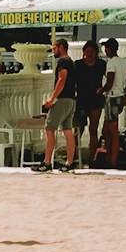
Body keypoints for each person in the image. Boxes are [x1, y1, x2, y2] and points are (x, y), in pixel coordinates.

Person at [66, 35, 106, 167]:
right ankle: (73, 157)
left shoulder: (101, 65)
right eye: (87, 52)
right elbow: (70, 81)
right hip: (81, 101)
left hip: (96, 100)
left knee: (93, 130)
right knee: (78, 130)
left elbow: (110, 78)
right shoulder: (77, 65)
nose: (89, 54)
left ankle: (92, 158)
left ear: (96, 53)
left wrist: (105, 89)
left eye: (92, 52)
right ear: (83, 52)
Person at [40, 36, 78, 171]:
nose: (53, 51)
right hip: (72, 100)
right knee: (68, 130)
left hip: (62, 99)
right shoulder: (72, 62)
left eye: (54, 48)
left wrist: (51, 99)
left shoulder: (63, 61)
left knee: (49, 128)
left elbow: (61, 80)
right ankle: (69, 162)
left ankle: (47, 163)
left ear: (61, 47)